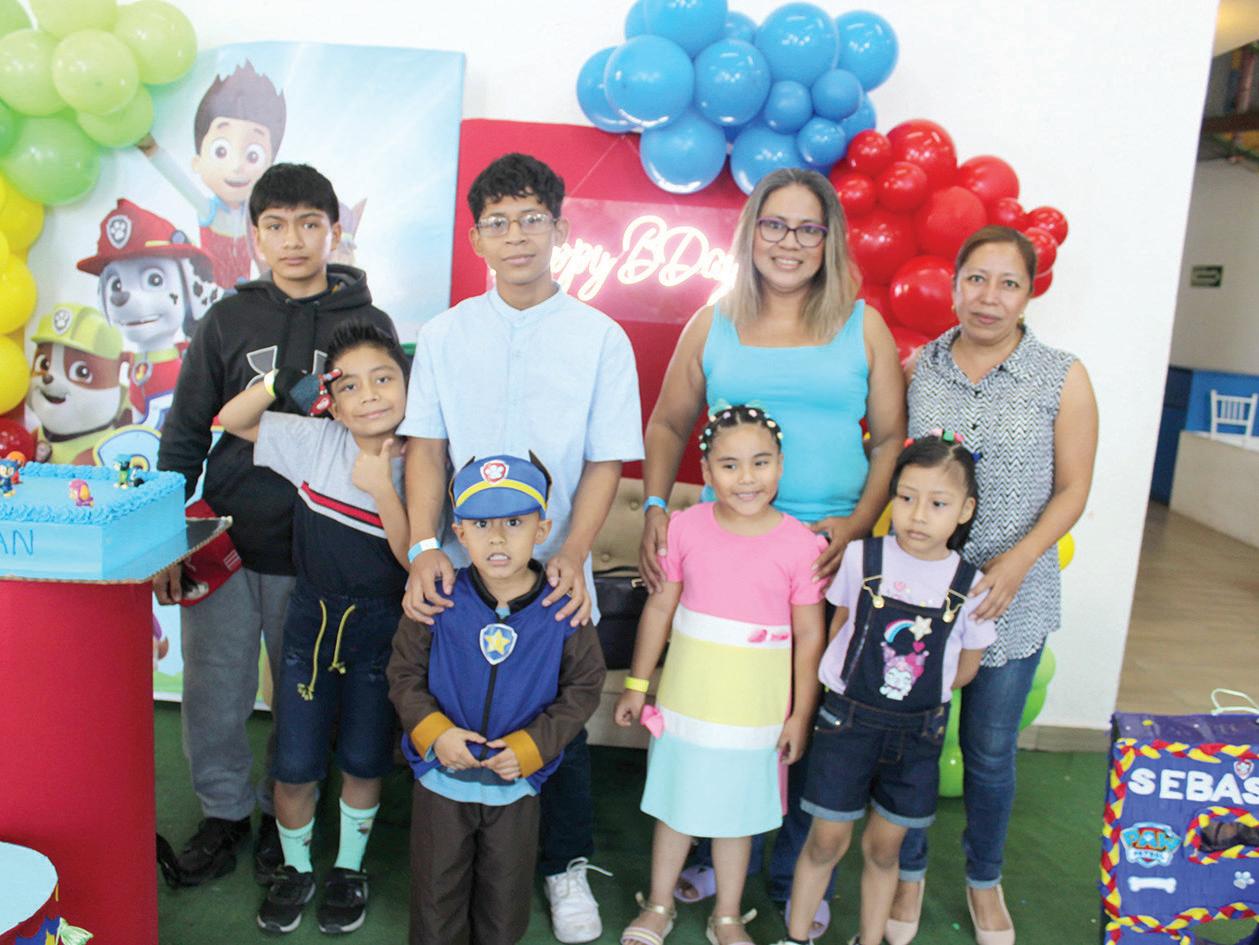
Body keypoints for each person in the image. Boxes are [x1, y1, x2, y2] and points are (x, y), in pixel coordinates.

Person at [638, 166, 905, 934]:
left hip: (827, 555)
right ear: (750, 231)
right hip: (728, 550)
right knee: (721, 703)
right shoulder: (712, 322)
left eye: (807, 228)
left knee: (809, 717)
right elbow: (667, 423)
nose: (789, 242)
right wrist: (655, 504)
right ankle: (706, 851)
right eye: (774, 224)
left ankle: (790, 877)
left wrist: (855, 526)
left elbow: (890, 439)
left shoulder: (862, 326)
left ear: (829, 240)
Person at [399, 153, 643, 943]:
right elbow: (426, 446)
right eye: (498, 222)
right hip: (465, 566)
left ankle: (563, 865)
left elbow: (605, 458)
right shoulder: (444, 334)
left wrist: (574, 549)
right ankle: (447, 863)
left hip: (553, 567)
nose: (516, 235)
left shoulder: (599, 338)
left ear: (560, 229)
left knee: (556, 713)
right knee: (458, 699)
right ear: (476, 238)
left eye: (532, 218)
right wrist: (425, 545)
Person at [155, 163, 398, 889]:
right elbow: (184, 433)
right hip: (228, 541)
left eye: (309, 223)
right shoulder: (227, 320)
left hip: (322, 553)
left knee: (303, 699)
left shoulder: (367, 324)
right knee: (215, 689)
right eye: (276, 225)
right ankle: (224, 814)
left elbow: (392, 436)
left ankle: (279, 818)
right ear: (255, 234)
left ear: (333, 230)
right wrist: (169, 539)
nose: (293, 240)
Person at [888, 226, 1098, 945]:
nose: (989, 297)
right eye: (976, 279)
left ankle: (984, 879)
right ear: (954, 285)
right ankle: (908, 872)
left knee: (988, 750)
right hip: (920, 596)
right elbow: (891, 467)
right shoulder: (920, 368)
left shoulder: (1061, 376)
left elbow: (1073, 488)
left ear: (1029, 293)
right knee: (916, 745)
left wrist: (1017, 560)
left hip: (1012, 596)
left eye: (1008, 283)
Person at [217, 320, 409, 933]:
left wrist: (383, 489)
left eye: (384, 379)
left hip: (382, 631)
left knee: (364, 759)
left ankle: (348, 869)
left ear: (409, 386)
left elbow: (417, 560)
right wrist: (281, 380)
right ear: (333, 401)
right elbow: (232, 420)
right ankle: (296, 870)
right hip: (309, 624)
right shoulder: (315, 439)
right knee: (295, 762)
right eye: (350, 386)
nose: (370, 395)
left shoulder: (427, 459)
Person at [771, 433, 996, 945]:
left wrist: (912, 686)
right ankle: (797, 935)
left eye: (937, 504)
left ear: (965, 510)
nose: (918, 515)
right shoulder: (861, 558)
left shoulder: (970, 583)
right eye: (906, 497)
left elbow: (965, 668)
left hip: (917, 735)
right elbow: (839, 630)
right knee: (825, 841)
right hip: (846, 724)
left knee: (883, 849)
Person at [614, 405, 827, 945]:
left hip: (757, 713)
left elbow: (810, 638)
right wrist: (637, 685)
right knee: (676, 807)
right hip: (688, 703)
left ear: (781, 465)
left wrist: (800, 715)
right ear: (707, 472)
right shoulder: (685, 527)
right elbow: (659, 609)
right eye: (729, 465)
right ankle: (659, 904)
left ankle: (727, 915)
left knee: (739, 815)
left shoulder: (802, 545)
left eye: (760, 462)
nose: (746, 478)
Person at [388, 453, 606, 945]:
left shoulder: (563, 607)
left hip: (517, 786)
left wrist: (531, 748)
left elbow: (583, 686)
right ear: (460, 533)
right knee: (435, 901)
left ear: (542, 528)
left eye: (514, 522)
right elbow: (403, 674)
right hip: (442, 780)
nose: (498, 538)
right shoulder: (436, 598)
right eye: (481, 524)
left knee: (503, 906)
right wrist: (435, 734)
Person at [139, 60, 286, 287]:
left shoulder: (258, 216)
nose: (237, 166)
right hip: (211, 291)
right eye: (221, 151)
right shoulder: (210, 211)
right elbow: (181, 183)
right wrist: (153, 151)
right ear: (197, 162)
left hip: (246, 293)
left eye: (253, 156)